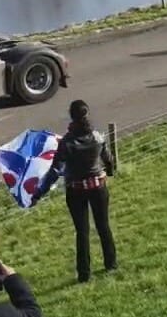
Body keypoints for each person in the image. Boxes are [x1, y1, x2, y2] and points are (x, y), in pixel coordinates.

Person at [37, 100, 118, 283]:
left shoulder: (67, 142)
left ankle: (84, 273)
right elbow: (108, 159)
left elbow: (55, 170)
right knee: (103, 226)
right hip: (98, 186)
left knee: (82, 232)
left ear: (71, 116)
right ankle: (111, 264)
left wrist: (40, 191)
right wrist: (110, 171)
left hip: (76, 189)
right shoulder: (97, 136)